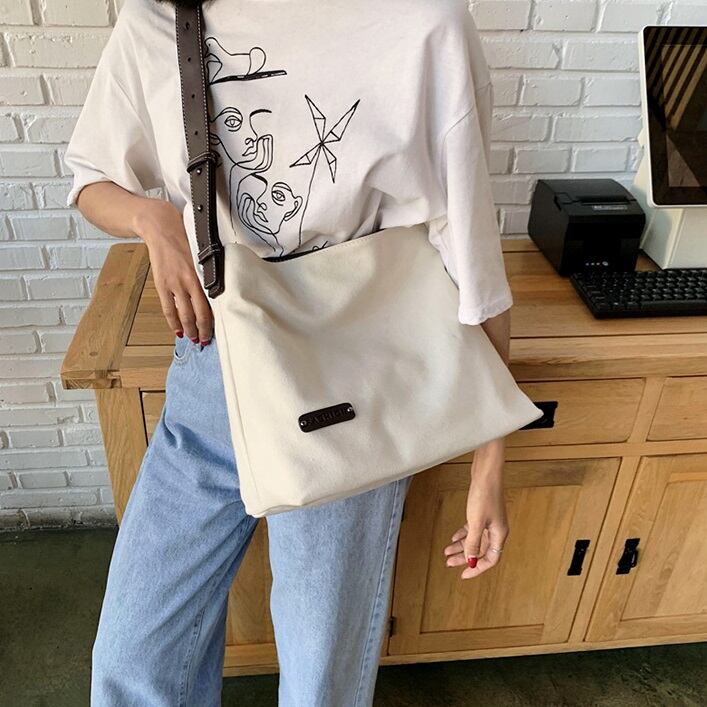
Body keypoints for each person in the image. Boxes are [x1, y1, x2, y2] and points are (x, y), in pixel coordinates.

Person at [64, 0, 515, 704]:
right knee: (131, 661)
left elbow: (471, 256)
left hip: (350, 384)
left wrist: (490, 463)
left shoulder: (421, 23)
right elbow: (91, 175)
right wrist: (153, 219)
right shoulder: (161, 19)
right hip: (211, 374)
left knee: (319, 680)